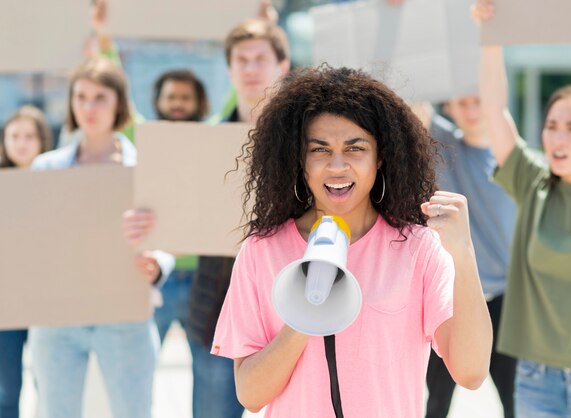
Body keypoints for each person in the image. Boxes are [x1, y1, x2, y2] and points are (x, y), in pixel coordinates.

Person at [210, 65, 492, 417]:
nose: (337, 166)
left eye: (355, 148)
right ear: (299, 160)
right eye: (320, 150)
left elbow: (471, 372)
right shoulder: (261, 251)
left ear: (380, 157)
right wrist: (305, 315)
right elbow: (250, 394)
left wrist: (463, 255)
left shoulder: (418, 247)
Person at [123, 17, 290, 418]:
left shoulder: (305, 136)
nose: (251, 68)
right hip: (220, 302)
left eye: (260, 58)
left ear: (282, 65)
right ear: (230, 69)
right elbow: (179, 209)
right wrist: (150, 227)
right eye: (241, 59)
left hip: (289, 300)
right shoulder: (206, 141)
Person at [473, 1, 571, 417]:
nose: (557, 138)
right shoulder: (532, 180)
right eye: (552, 125)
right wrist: (491, 38)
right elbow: (494, 111)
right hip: (536, 380)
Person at [28, 57, 174, 418]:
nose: (88, 107)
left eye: (99, 98)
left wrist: (157, 264)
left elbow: (169, 236)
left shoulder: (146, 166)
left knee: (133, 412)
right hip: (57, 316)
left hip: (124, 316)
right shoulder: (45, 168)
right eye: (81, 97)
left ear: (118, 104)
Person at [424, 97, 517, 418]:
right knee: (436, 403)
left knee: (515, 401)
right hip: (451, 298)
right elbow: (416, 105)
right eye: (462, 103)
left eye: (479, 100)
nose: (472, 110)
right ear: (449, 108)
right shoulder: (443, 147)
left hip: (507, 301)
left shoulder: (515, 161)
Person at [0, 105, 52, 418]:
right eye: (15, 135)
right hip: (6, 302)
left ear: (43, 140)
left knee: (49, 385)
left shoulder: (60, 183)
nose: (21, 143)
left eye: (30, 136)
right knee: (6, 389)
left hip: (49, 299)